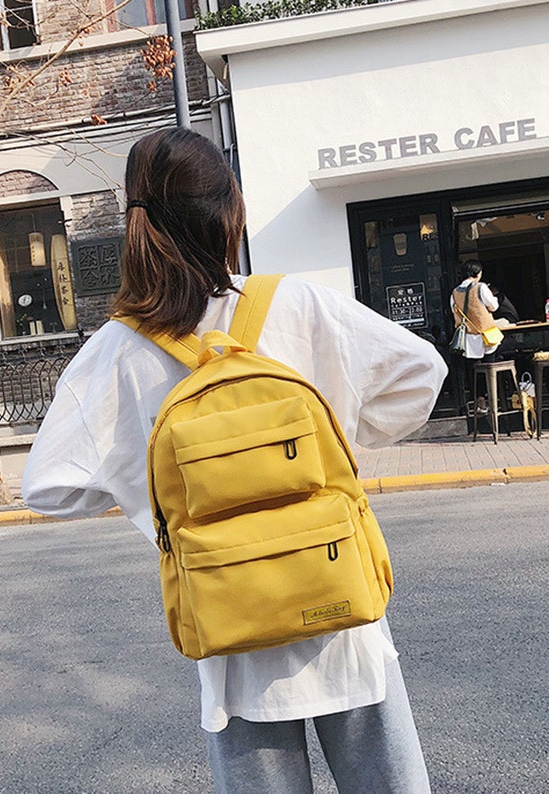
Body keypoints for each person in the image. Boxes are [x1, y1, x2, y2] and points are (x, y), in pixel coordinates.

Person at [22, 128, 447, 793]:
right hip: (341, 605)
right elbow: (422, 374)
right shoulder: (295, 305)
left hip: (230, 628)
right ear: (229, 214)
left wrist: (147, 494)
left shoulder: (117, 353)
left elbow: (48, 487)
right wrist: (334, 437)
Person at [450, 260, 500, 415]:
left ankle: (479, 401)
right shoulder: (481, 287)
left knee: (474, 370)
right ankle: (493, 399)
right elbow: (494, 306)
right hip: (486, 335)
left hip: (468, 339)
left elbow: (454, 310)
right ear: (477, 273)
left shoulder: (454, 293)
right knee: (490, 368)